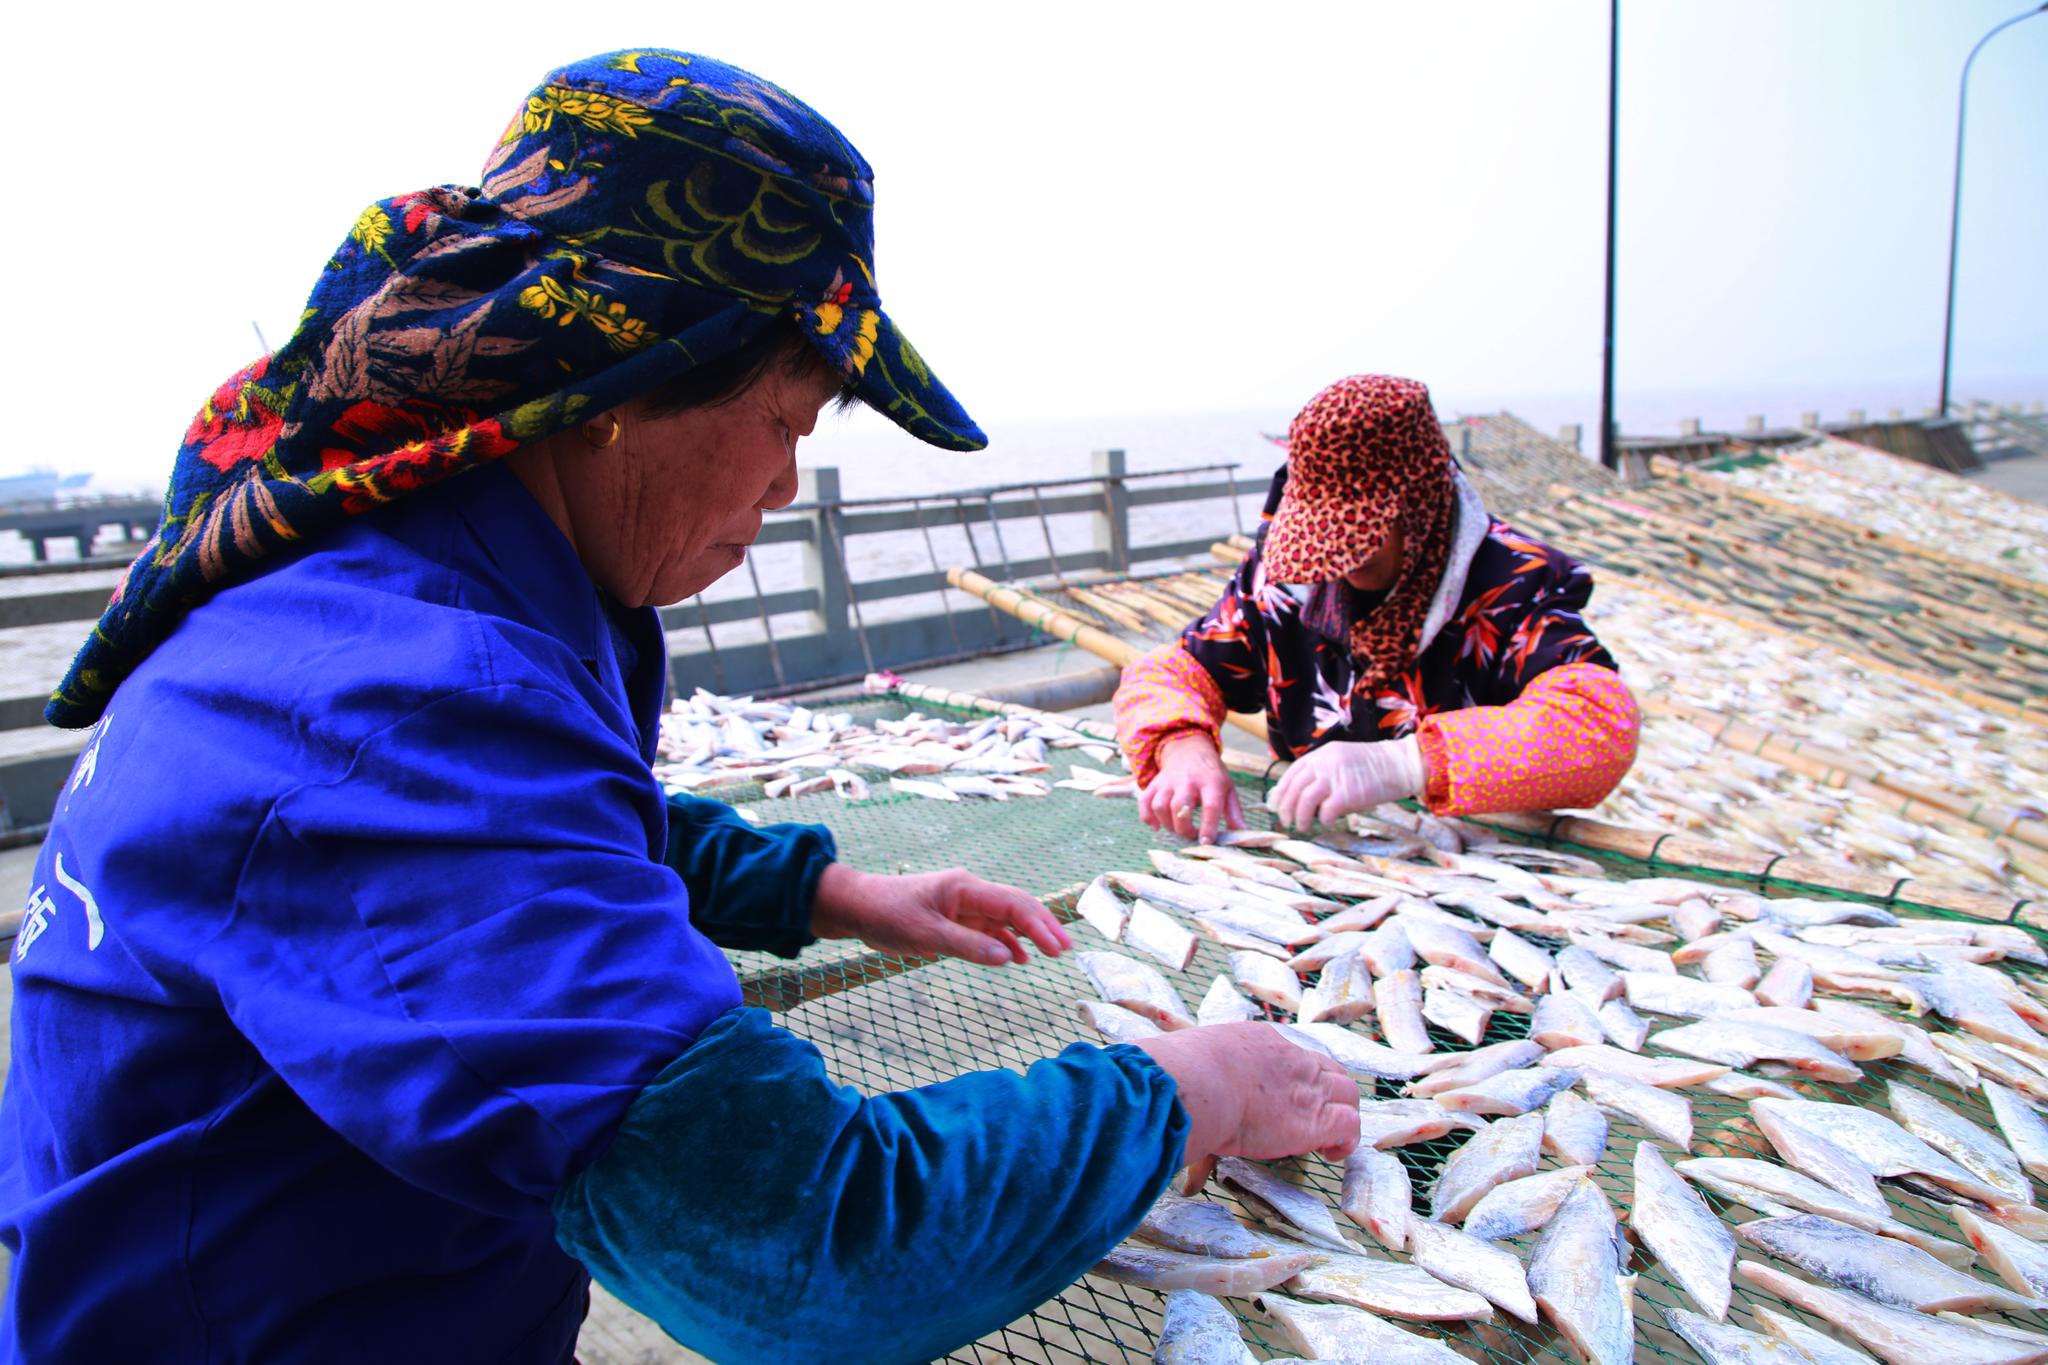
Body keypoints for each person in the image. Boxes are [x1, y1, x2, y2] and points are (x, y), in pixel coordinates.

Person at [0, 51, 1359, 1364]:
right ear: (630, 376)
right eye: (786, 420)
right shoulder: (385, 713)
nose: (784, 488)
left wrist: (821, 891)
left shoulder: (398, 586)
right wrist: (1190, 1093)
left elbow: (542, 831)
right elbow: (812, 1247)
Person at [1117, 373, 1641, 843]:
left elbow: (1598, 727)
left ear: (1422, 504)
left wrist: (1407, 762)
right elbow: (1171, 671)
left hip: (1483, 869)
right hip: (1329, 853)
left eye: (1358, 540)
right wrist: (1182, 744)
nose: (1339, 566)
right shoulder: (1279, 582)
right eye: (1321, 543)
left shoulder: (1513, 584)